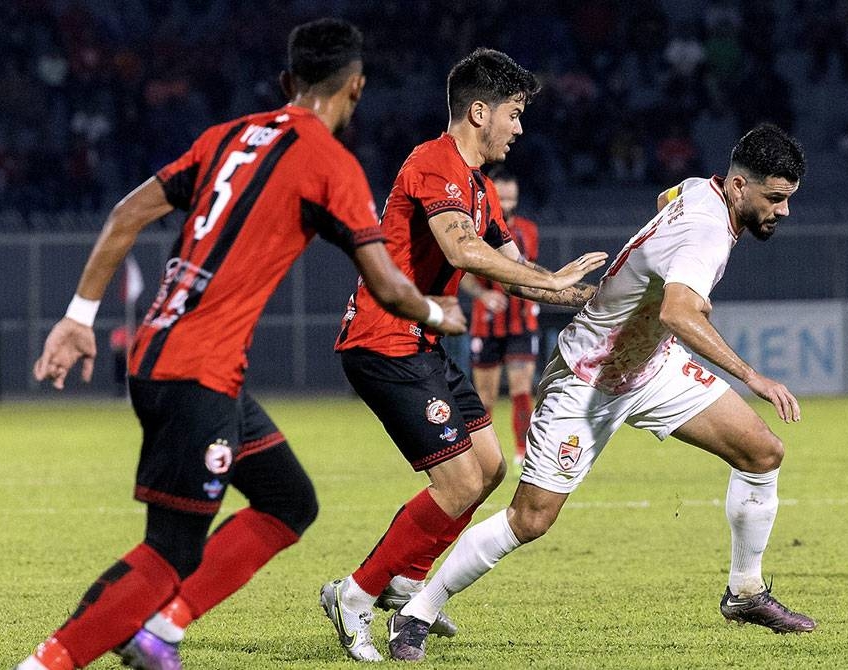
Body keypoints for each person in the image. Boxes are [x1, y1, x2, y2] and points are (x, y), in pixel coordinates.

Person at [19, 18, 466, 670]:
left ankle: (159, 633)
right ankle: (51, 663)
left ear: (288, 82)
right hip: (195, 373)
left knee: (288, 501)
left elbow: (125, 214)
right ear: (357, 88)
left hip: (170, 355)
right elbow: (390, 289)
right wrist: (437, 311)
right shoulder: (329, 164)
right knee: (167, 551)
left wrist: (79, 316)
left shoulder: (224, 136)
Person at [387, 123, 817, 662]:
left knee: (762, 452)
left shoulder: (697, 189)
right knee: (531, 519)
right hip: (587, 379)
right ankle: (418, 610)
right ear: (736, 186)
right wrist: (753, 376)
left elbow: (668, 199)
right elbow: (677, 312)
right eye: (775, 198)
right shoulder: (706, 233)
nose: (783, 210)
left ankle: (746, 593)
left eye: (787, 199)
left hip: (651, 367)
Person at [322, 47, 608, 663]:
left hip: (420, 342)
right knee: (456, 481)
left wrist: (588, 296)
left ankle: (405, 576)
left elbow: (513, 271)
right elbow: (460, 252)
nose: (520, 127)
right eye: (514, 113)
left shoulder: (480, 186)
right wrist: (554, 284)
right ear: (480, 111)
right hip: (382, 340)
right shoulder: (434, 163)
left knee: (489, 466)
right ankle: (354, 594)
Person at [460, 167, 542, 466]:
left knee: (522, 389)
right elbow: (465, 275)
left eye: (511, 196)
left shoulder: (528, 230)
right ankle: (484, 455)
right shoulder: (477, 230)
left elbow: (529, 271)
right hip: (486, 323)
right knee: (485, 396)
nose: (507, 201)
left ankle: (524, 453)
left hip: (522, 324)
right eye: (502, 195)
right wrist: (483, 295)